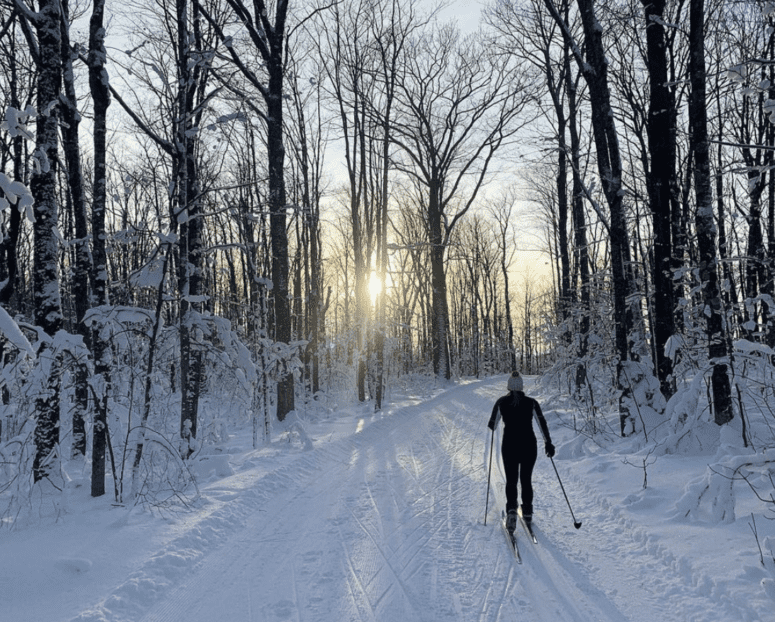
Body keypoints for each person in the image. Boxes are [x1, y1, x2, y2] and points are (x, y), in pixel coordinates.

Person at [488, 371, 555, 534]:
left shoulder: (501, 402)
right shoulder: (531, 403)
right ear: (522, 387)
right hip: (528, 445)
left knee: (511, 479)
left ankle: (512, 511)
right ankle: (528, 512)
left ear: (509, 387)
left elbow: (493, 425)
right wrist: (548, 443)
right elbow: (541, 423)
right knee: (526, 479)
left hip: (509, 446)